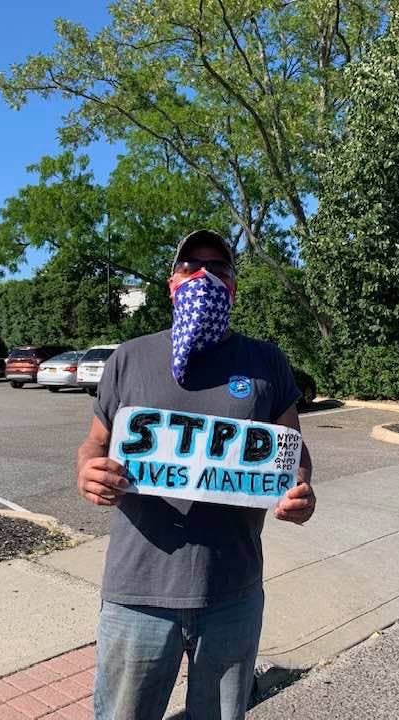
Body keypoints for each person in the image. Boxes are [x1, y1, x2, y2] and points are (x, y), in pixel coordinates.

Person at [77, 229, 315, 720]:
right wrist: (87, 472)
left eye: (218, 267)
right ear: (172, 284)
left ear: (233, 288)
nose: (204, 275)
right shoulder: (129, 358)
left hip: (231, 591)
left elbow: (292, 451)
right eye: (190, 266)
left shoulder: (266, 362)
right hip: (137, 593)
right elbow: (94, 444)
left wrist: (300, 491)